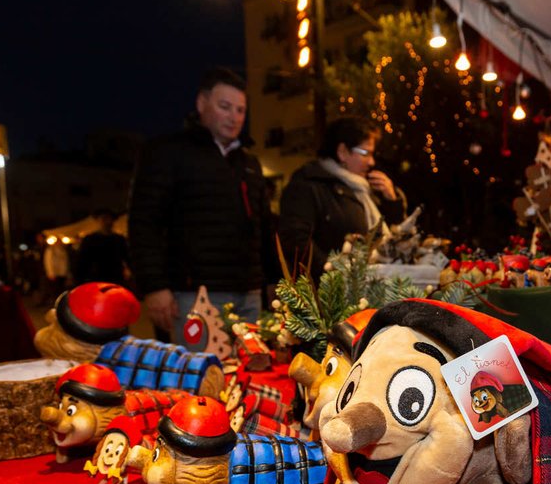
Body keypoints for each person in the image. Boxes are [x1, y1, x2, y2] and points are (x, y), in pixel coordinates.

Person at [128, 68, 272, 341]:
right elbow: (144, 224)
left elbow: (264, 228)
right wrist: (154, 287)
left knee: (251, 377)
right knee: (200, 379)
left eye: (240, 110)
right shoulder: (167, 153)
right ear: (201, 104)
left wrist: (273, 280)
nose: (234, 117)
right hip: (192, 296)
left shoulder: (249, 163)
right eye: (225, 107)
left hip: (249, 296)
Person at [278, 117, 406, 270]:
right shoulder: (309, 185)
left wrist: (391, 200)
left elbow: (392, 237)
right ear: (343, 152)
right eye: (365, 153)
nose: (371, 162)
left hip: (370, 283)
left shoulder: (363, 188)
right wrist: (332, 274)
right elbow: (296, 241)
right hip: (329, 289)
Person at [75, 209, 130, 286]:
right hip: (96, 278)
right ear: (98, 220)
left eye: (109, 219)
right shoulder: (90, 239)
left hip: (115, 277)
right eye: (104, 218)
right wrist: (80, 279)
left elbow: (127, 257)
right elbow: (82, 260)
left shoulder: (119, 239)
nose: (107, 222)